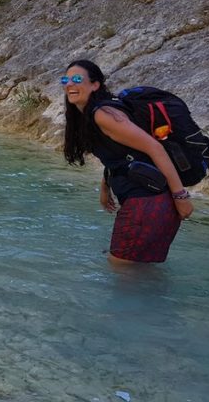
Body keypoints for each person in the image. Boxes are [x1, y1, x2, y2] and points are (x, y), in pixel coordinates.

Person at [61, 59, 194, 264]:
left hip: (147, 204)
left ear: (95, 84)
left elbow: (154, 148)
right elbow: (119, 154)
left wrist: (181, 196)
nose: (69, 84)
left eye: (77, 79)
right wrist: (105, 188)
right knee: (139, 276)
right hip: (153, 204)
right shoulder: (95, 113)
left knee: (122, 275)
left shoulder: (103, 115)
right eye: (65, 80)